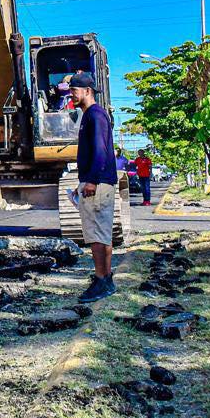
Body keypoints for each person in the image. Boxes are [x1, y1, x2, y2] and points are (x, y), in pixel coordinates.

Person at [71, 73, 118, 303]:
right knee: (102, 233)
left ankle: (101, 280)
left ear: (88, 90)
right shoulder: (92, 115)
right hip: (97, 182)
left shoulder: (95, 115)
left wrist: (91, 181)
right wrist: (81, 182)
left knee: (96, 235)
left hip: (97, 185)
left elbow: (100, 151)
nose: (71, 94)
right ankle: (106, 279)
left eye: (74, 90)